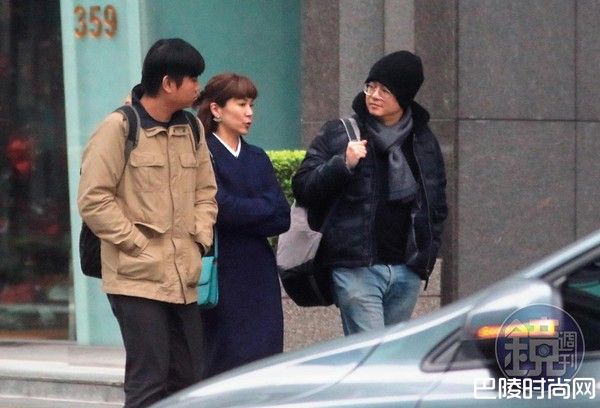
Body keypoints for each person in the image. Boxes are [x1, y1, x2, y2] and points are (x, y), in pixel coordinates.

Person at [77, 38, 218, 407]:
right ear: (168, 83)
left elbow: (206, 192)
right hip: (135, 278)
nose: (198, 87)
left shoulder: (192, 128)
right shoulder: (119, 127)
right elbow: (93, 198)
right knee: (148, 383)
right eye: (192, 79)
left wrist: (199, 240)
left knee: (189, 381)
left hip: (183, 277)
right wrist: (136, 244)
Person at [292, 51, 447, 336]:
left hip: (406, 271)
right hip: (355, 269)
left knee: (390, 357)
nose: (374, 95)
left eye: (385, 90)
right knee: (372, 352)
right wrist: (343, 164)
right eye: (370, 87)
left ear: (404, 95)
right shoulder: (340, 132)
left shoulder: (423, 141)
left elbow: (435, 204)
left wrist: (422, 260)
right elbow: (303, 186)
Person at [195, 73, 290, 377]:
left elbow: (282, 215)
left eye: (251, 105)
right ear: (216, 109)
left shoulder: (257, 157)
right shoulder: (203, 154)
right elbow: (219, 208)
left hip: (260, 272)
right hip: (223, 269)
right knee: (225, 360)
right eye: (241, 104)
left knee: (265, 361)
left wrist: (241, 210)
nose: (249, 112)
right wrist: (259, 209)